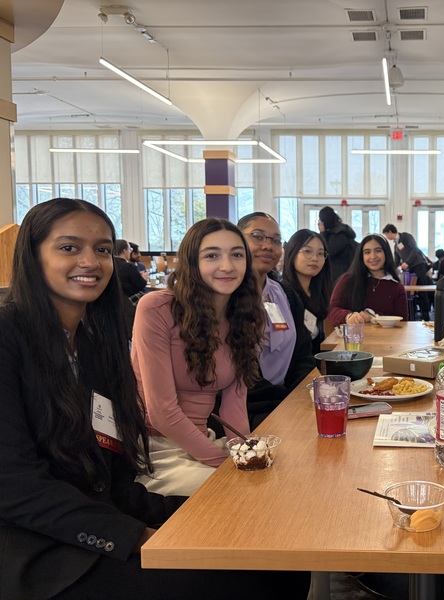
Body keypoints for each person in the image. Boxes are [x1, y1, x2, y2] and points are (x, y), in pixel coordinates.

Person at [0, 198, 308, 599]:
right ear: (32, 255)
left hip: (107, 509)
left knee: (273, 544)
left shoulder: (94, 345)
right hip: (39, 548)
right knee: (235, 574)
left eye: (103, 250)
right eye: (69, 247)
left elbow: (113, 467)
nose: (91, 261)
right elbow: (13, 485)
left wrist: (171, 517)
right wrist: (134, 535)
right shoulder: (9, 337)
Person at [132, 218, 266, 496]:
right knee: (237, 492)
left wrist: (246, 453)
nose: (227, 266)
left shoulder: (244, 317)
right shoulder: (157, 308)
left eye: (237, 255)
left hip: (202, 441)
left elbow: (234, 408)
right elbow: (161, 413)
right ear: (192, 262)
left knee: (269, 482)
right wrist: (225, 465)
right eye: (212, 255)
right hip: (155, 448)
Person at [236, 212, 315, 428]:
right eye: (258, 236)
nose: (268, 246)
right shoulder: (226, 297)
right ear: (236, 240)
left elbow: (303, 350)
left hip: (287, 401)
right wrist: (285, 404)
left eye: (275, 240)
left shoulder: (285, 295)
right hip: (245, 409)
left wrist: (298, 394)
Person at [329, 233, 408, 326]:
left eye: (378, 251)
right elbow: (333, 309)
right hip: (353, 338)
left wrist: (374, 318)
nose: (373, 256)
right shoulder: (349, 279)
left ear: (386, 253)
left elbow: (402, 322)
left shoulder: (397, 287)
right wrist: (349, 316)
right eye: (367, 252)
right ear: (361, 256)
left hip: (385, 339)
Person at [282, 228, 333, 355]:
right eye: (307, 251)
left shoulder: (317, 293)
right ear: (292, 253)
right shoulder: (283, 295)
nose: (315, 258)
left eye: (320, 253)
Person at [382, 224, 433, 317]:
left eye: (386, 234)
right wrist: (389, 271)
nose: (387, 237)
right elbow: (396, 261)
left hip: (419, 265)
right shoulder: (396, 245)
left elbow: (415, 249)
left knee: (422, 290)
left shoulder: (405, 236)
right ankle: (413, 314)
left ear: (390, 232)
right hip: (410, 269)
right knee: (412, 292)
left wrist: (407, 262)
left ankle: (426, 315)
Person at [318, 206, 357, 283]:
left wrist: (322, 233)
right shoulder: (341, 231)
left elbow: (327, 251)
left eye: (321, 220)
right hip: (343, 273)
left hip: (340, 275)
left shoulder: (338, 235)